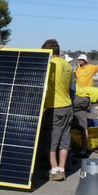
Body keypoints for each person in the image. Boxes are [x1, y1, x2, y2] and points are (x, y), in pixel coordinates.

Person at [40, 39, 74, 181]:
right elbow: (72, 87)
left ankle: (54, 171)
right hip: (68, 106)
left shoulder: (50, 63)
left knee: (50, 141)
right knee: (64, 141)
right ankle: (62, 168)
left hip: (55, 107)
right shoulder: (67, 64)